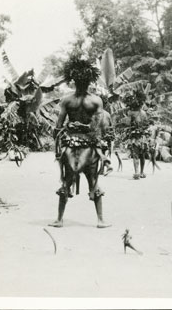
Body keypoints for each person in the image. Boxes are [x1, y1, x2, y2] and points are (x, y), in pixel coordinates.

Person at [50, 57, 111, 228]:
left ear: (74, 81)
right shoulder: (96, 100)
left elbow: (58, 126)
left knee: (66, 181)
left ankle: (59, 219)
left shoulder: (67, 100)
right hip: (90, 146)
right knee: (94, 182)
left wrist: (66, 131)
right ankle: (100, 220)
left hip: (71, 145)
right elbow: (100, 125)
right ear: (89, 81)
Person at [123, 91, 151, 180]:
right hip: (143, 137)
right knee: (142, 155)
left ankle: (136, 172)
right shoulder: (144, 113)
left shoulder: (131, 112)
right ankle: (142, 172)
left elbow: (127, 124)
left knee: (135, 155)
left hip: (135, 137)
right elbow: (147, 125)